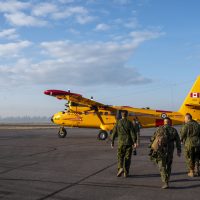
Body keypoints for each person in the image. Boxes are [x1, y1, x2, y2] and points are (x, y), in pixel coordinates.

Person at [149, 117, 181, 189]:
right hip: (170, 150)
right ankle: (167, 178)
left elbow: (152, 139)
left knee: (162, 165)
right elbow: (178, 141)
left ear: (164, 122)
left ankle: (165, 181)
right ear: (170, 122)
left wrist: (151, 148)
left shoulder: (159, 129)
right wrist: (179, 150)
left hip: (161, 150)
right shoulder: (174, 130)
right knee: (168, 165)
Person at [111, 111, 137, 178]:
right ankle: (126, 172)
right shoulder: (129, 123)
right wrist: (134, 142)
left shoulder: (118, 123)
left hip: (121, 143)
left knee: (120, 156)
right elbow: (132, 133)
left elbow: (114, 132)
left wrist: (112, 141)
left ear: (121, 115)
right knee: (127, 158)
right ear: (127, 115)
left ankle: (120, 168)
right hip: (128, 143)